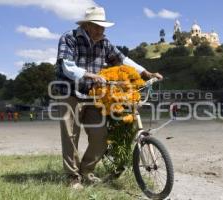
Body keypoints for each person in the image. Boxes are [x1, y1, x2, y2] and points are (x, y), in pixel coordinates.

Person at [56, 6, 163, 189]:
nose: (101, 30)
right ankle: (72, 177)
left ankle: (86, 171)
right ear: (87, 25)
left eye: (103, 27)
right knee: (71, 135)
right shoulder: (69, 38)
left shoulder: (104, 42)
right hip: (69, 93)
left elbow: (123, 60)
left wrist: (146, 72)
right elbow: (67, 66)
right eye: (97, 26)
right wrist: (89, 75)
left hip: (92, 95)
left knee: (100, 135)